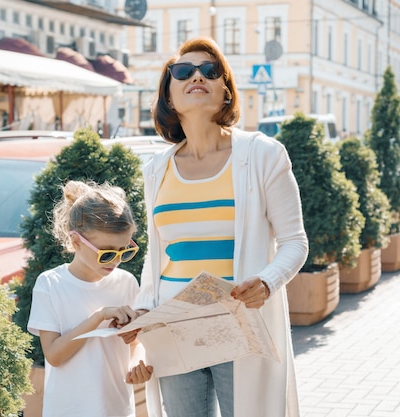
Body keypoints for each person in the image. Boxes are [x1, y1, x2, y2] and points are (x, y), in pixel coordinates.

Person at [135, 36, 309, 417]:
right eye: (183, 71)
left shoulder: (262, 155)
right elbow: (157, 258)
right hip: (173, 328)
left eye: (210, 71)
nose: (197, 76)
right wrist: (141, 318)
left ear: (226, 92)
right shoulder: (155, 170)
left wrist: (267, 282)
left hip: (238, 326)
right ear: (168, 95)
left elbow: (295, 242)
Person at [27, 180, 153, 417]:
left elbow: (135, 343)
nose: (115, 261)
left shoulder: (126, 282)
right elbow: (54, 355)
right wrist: (99, 317)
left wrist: (138, 362)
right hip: (67, 410)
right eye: (106, 253)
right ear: (76, 242)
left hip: (117, 409)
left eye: (124, 251)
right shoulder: (51, 284)